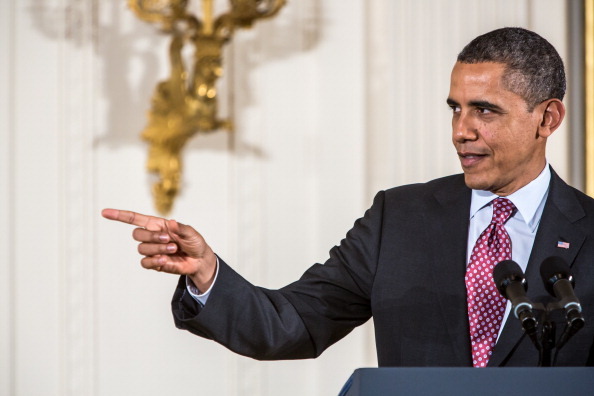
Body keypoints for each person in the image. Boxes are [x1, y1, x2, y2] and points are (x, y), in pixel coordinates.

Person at [102, 27, 594, 367]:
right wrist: (208, 274)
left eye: (484, 111)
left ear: (547, 119)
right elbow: (291, 324)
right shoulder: (399, 218)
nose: (460, 131)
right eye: (455, 109)